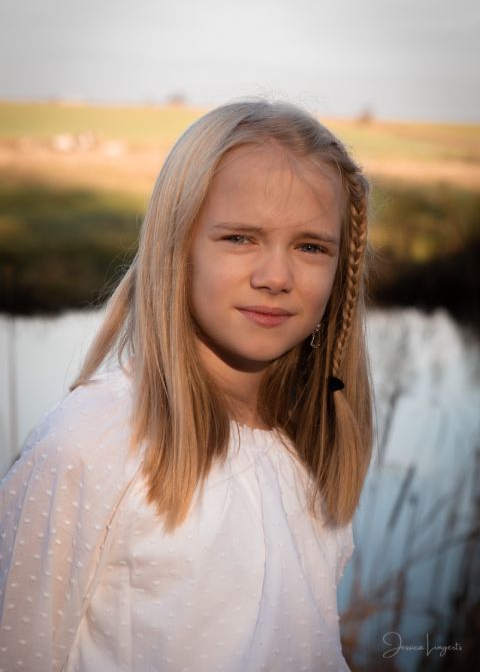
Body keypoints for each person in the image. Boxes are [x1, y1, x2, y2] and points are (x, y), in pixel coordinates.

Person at [0, 99, 373, 672]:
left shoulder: (307, 444)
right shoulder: (95, 440)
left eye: (310, 246)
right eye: (240, 238)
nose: (275, 277)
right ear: (177, 249)